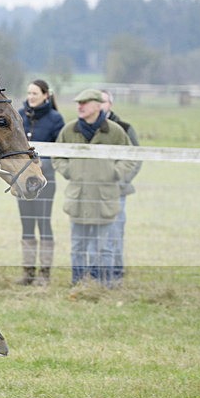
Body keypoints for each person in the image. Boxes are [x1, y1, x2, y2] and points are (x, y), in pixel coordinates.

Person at [52, 89, 138, 287]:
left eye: (85, 102)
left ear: (98, 105)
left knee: (104, 246)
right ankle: (79, 284)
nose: (79, 106)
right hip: (78, 197)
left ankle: (104, 285)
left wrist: (115, 173)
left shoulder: (115, 131)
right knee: (78, 246)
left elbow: (130, 157)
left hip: (105, 198)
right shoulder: (69, 130)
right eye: (78, 103)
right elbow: (57, 156)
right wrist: (69, 171)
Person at [15, 79, 65, 286]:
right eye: (29, 93)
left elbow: (60, 150)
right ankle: (28, 272)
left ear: (46, 95)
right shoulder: (19, 115)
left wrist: (44, 164)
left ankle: (44, 273)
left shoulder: (55, 119)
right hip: (23, 181)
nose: (31, 97)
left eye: (35, 93)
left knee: (43, 223)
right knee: (26, 224)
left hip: (46, 180)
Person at [100, 89, 141, 285]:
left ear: (110, 104)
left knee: (115, 233)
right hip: (95, 191)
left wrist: (121, 181)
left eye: (104, 101)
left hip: (117, 190)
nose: (100, 105)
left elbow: (135, 158)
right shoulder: (87, 127)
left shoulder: (124, 127)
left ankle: (116, 274)